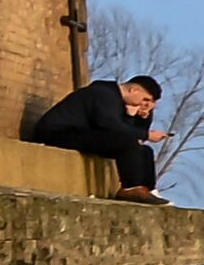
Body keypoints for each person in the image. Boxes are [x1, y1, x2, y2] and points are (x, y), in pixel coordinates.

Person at [24, 72, 163, 196]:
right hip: (58, 132)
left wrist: (142, 118)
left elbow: (129, 134)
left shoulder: (118, 102)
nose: (145, 104)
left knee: (144, 151)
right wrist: (147, 134)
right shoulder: (103, 93)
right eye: (145, 99)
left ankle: (148, 191)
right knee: (126, 141)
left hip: (81, 133)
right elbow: (109, 125)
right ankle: (131, 188)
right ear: (133, 90)